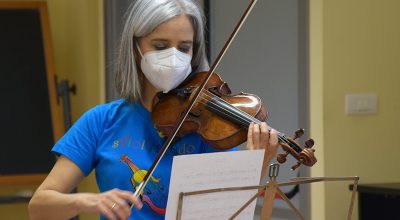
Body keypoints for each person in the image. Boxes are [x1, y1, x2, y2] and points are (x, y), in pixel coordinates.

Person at [28, 0, 279, 219]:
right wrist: (90, 201)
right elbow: (39, 207)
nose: (173, 57)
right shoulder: (101, 121)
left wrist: (253, 165)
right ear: (136, 49)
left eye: (184, 48)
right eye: (160, 46)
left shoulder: (208, 126)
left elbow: (224, 212)